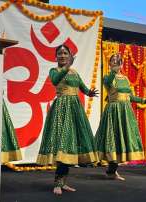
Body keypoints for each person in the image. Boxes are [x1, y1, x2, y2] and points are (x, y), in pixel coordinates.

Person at [36, 45, 99, 195]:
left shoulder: (75, 73)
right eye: (60, 53)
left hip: (75, 110)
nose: (63, 55)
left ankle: (64, 183)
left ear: (69, 56)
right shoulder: (54, 71)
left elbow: (82, 87)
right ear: (56, 56)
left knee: (70, 146)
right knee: (62, 145)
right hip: (61, 110)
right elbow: (56, 81)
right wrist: (67, 67)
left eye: (65, 53)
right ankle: (57, 183)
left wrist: (89, 92)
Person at [95, 53, 146, 181]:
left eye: (118, 62)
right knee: (113, 139)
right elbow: (107, 83)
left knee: (121, 140)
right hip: (113, 111)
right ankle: (111, 170)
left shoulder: (125, 79)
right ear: (110, 64)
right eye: (113, 61)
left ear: (122, 64)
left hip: (125, 111)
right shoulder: (108, 77)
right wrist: (113, 72)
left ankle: (112, 171)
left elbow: (130, 97)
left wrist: (145, 100)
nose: (115, 63)